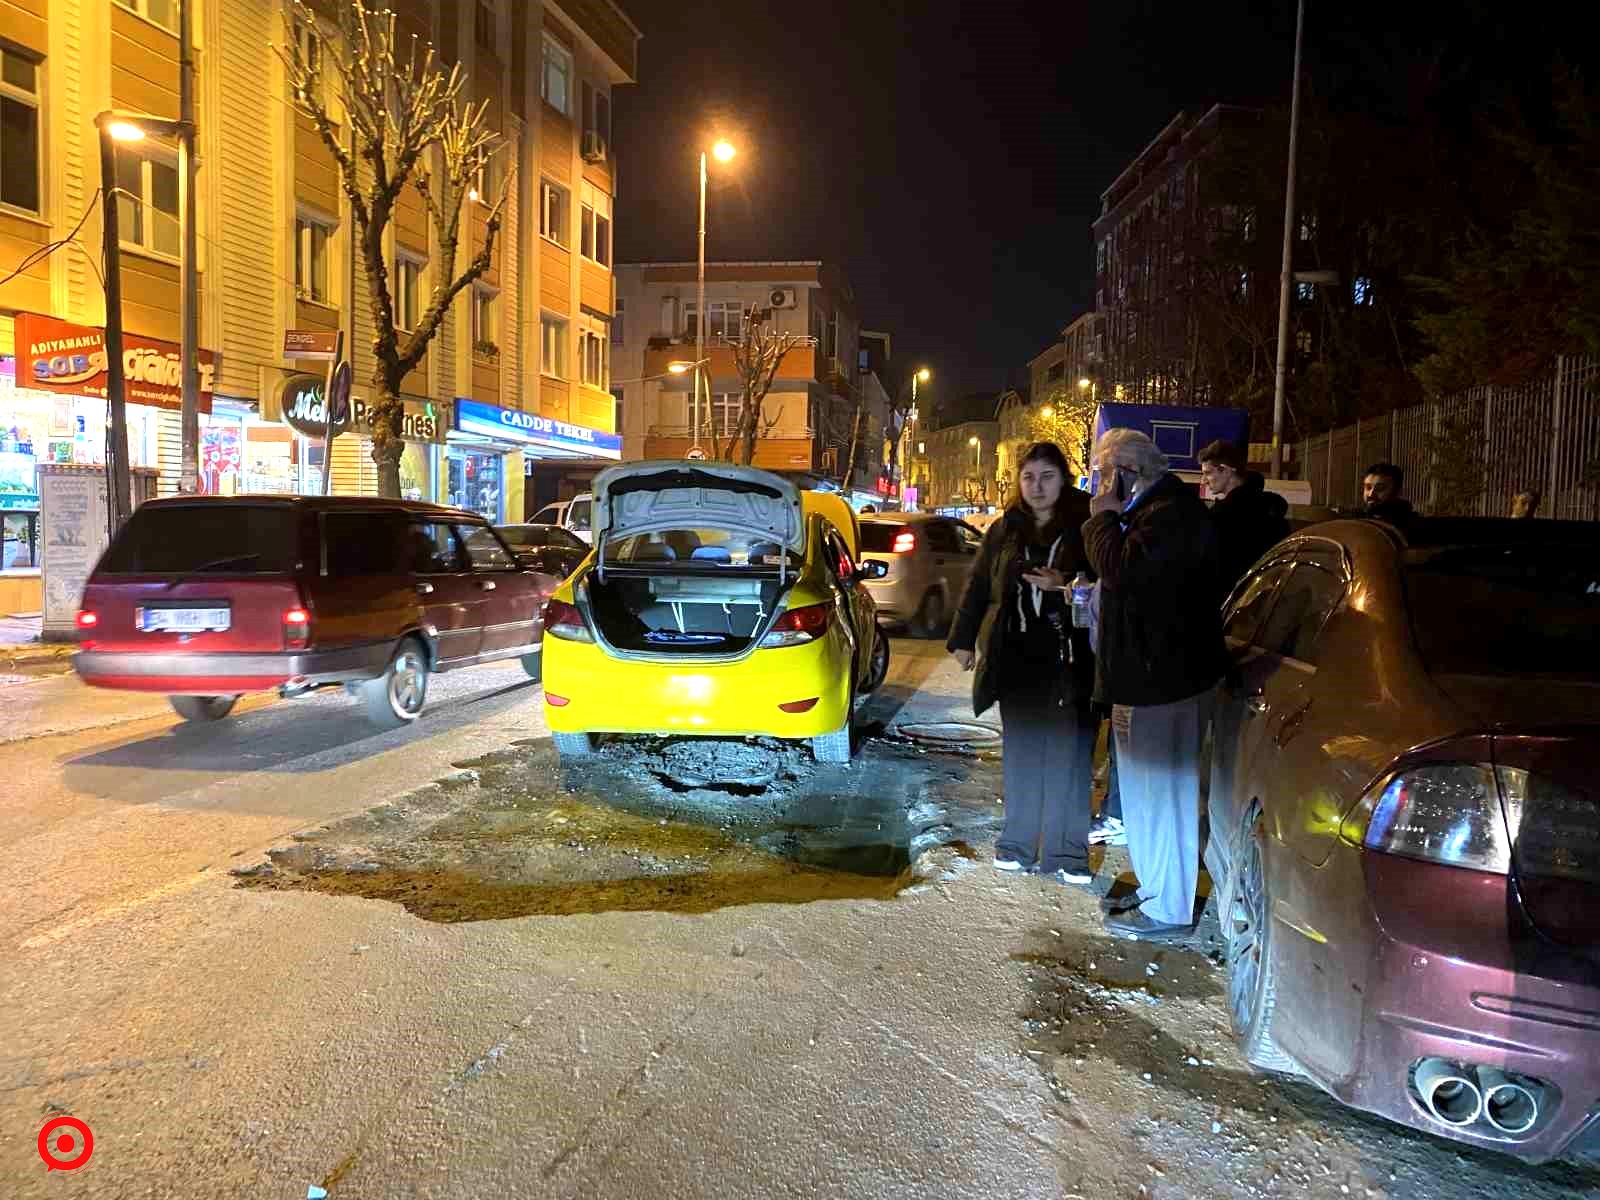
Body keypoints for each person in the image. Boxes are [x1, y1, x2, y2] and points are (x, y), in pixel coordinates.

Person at [1082, 429, 1225, 939]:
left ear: (1127, 472)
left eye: (1104, 471)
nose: (1099, 482)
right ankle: (1154, 892)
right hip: (1142, 680)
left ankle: (1168, 910)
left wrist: (1101, 517)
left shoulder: (1173, 516)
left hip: (1163, 682)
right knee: (1145, 797)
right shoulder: (1151, 513)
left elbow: (1122, 567)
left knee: (1164, 799)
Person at [948, 442, 1098, 884]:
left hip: (1072, 654)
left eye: (1047, 476)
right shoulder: (1005, 529)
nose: (1037, 486)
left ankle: (1067, 854)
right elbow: (978, 584)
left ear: (1064, 479)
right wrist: (963, 639)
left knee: (1069, 753)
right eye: (1028, 477)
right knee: (1023, 751)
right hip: (1016, 654)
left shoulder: (1087, 525)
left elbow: (1110, 582)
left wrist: (1066, 583)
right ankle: (1016, 845)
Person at [1197, 440, 1289, 588]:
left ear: (1226, 470)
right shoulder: (1269, 508)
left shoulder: (1223, 517)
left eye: (1207, 473)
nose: (1203, 481)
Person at [1361, 462, 1413, 526]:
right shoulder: (1357, 519)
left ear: (1397, 491)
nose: (1370, 494)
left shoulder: (1411, 524)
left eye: (1380, 488)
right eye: (1368, 488)